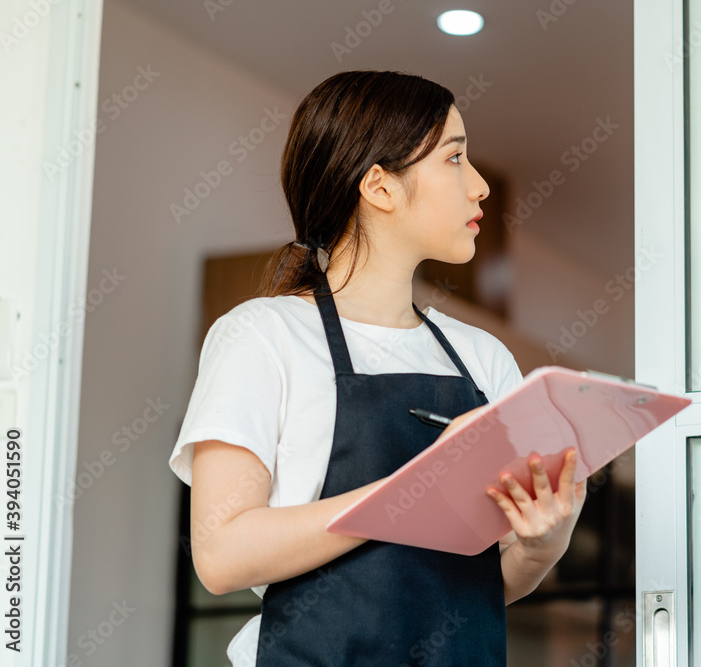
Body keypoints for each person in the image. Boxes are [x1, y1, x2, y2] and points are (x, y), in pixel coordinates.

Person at [168, 70, 588, 666]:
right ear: (380, 187)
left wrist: (541, 544)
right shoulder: (262, 335)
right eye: (455, 159)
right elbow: (221, 553)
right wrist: (413, 488)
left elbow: (484, 583)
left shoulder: (483, 358)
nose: (480, 187)